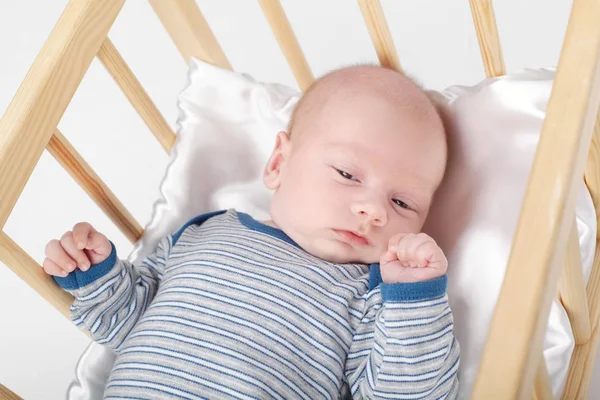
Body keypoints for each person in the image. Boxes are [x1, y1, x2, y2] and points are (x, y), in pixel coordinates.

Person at [43, 65, 459, 399]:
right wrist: (97, 275)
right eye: (348, 174)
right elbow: (129, 322)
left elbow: (405, 391)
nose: (373, 211)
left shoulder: (372, 297)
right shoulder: (205, 233)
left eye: (402, 203)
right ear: (278, 164)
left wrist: (414, 302)